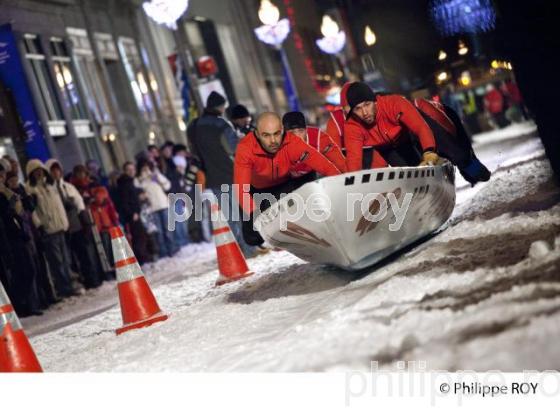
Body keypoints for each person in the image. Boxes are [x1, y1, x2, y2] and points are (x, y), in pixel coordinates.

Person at [343, 82, 490, 186]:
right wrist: (353, 184)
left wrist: (429, 151)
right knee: (412, 176)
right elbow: (354, 160)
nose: (364, 113)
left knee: (454, 151)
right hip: (390, 147)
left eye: (367, 105)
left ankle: (472, 168)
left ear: (375, 101)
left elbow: (421, 128)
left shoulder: (394, 103)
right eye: (358, 109)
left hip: (411, 132)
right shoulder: (352, 126)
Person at [234, 112, 342, 246]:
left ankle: (317, 233)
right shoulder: (245, 148)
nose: (273, 141)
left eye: (277, 134)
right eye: (266, 135)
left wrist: (342, 187)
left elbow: (325, 166)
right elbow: (240, 189)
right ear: (257, 134)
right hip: (256, 190)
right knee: (253, 238)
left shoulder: (293, 142)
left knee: (306, 203)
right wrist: (253, 213)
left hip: (283, 185)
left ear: (283, 132)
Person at [191, 91, 253, 255]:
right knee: (242, 211)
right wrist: (240, 139)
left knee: (229, 215)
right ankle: (248, 248)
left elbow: (195, 152)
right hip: (230, 173)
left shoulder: (195, 125)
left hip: (212, 176)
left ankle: (239, 250)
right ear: (219, 107)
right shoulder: (222, 124)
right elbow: (233, 148)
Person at [46, 159, 102, 289]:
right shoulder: (51, 190)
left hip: (76, 224)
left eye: (57, 170)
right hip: (62, 227)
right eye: (53, 170)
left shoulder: (68, 187)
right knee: (69, 258)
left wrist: (85, 221)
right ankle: (77, 281)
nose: (56, 173)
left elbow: (79, 204)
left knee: (84, 253)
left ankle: (91, 279)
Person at [25, 159, 76, 298]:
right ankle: (63, 288)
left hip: (60, 226)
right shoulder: (30, 189)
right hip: (48, 229)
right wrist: (39, 225)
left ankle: (69, 285)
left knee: (65, 259)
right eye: (36, 172)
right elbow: (33, 211)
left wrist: (65, 222)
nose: (39, 173)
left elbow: (58, 205)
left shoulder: (50, 184)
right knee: (57, 262)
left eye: (40, 170)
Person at [0, 162, 42, 316]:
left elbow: (23, 211)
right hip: (9, 239)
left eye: (3, 176)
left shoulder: (8, 192)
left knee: (29, 269)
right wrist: (10, 209)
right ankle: (20, 305)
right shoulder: (3, 195)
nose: (2, 179)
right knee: (21, 272)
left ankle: (26, 304)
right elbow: (5, 217)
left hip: (19, 234)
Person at [282, 111, 347, 177]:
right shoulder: (279, 144)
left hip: (311, 176)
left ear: (306, 130)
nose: (297, 136)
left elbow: (339, 162)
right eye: (292, 133)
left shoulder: (318, 138)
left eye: (301, 131)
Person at [135, 158, 176, 258]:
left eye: (147, 167)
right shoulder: (138, 180)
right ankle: (163, 252)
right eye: (143, 168)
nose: (146, 169)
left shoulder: (155, 175)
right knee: (159, 232)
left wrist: (157, 178)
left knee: (168, 229)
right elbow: (138, 189)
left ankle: (171, 249)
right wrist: (144, 178)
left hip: (163, 204)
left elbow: (167, 186)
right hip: (152, 208)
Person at [117, 161, 153, 265]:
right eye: (129, 170)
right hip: (133, 215)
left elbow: (133, 196)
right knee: (138, 237)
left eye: (133, 169)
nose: (132, 171)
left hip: (137, 212)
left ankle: (145, 257)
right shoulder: (124, 183)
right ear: (125, 171)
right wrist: (133, 213)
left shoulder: (130, 182)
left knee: (142, 235)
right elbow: (125, 200)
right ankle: (142, 259)